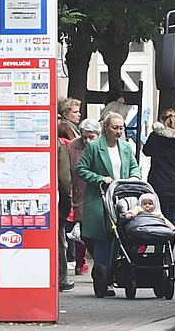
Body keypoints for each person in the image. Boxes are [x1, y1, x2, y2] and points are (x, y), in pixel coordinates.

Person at [76, 112, 142, 296]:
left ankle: (119, 273)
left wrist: (134, 176)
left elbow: (134, 166)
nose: (119, 131)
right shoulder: (95, 147)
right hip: (100, 198)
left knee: (123, 236)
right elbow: (81, 169)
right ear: (106, 127)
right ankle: (103, 278)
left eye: (121, 128)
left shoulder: (126, 146)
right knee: (104, 236)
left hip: (122, 197)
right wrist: (99, 178)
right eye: (115, 127)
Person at [142, 109, 175, 230]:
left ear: (161, 120)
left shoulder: (155, 136)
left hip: (158, 182)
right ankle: (169, 246)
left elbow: (146, 151)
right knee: (173, 218)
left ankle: (159, 245)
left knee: (158, 216)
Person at [68, 118, 102, 275]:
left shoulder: (104, 146)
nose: (87, 140)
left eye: (91, 137)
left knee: (101, 233)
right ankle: (89, 263)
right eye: (84, 137)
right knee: (84, 233)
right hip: (80, 195)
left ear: (99, 135)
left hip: (101, 195)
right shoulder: (73, 146)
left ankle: (101, 264)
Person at [58, 138, 75, 292]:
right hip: (53, 205)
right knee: (59, 241)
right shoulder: (58, 144)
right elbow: (64, 179)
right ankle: (61, 279)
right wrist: (66, 205)